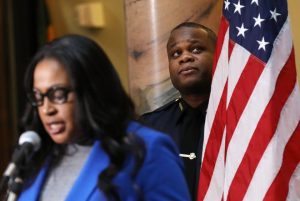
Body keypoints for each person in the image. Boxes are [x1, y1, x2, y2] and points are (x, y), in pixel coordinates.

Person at [16, 34, 190, 201]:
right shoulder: (37, 156)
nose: (47, 109)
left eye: (59, 94)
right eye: (39, 97)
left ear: (93, 90)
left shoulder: (147, 149)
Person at [142, 22, 217, 200]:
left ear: (219, 55)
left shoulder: (244, 120)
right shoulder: (149, 126)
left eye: (197, 49)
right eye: (176, 53)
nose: (185, 58)